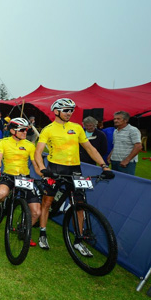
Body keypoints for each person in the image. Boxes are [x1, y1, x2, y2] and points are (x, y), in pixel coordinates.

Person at [34, 98, 113, 252]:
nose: (69, 113)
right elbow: (38, 152)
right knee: (47, 202)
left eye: (71, 110)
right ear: (56, 111)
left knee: (80, 204)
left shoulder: (77, 128)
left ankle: (79, 238)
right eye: (66, 110)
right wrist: (43, 168)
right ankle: (42, 232)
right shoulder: (48, 129)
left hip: (75, 169)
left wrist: (104, 166)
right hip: (55, 168)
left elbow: (90, 149)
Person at [0, 118, 42, 246]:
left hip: (25, 177)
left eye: (27, 130)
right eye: (22, 130)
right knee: (1, 194)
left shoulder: (30, 145)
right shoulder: (3, 142)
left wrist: (44, 174)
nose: (26, 132)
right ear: (13, 131)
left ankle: (24, 230)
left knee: (36, 212)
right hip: (9, 175)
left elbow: (36, 164)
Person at [108, 111, 142, 175]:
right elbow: (116, 145)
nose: (115, 120)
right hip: (114, 161)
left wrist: (127, 160)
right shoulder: (116, 131)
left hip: (126, 163)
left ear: (126, 120)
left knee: (126, 183)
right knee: (115, 181)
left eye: (118, 119)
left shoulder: (133, 130)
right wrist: (110, 156)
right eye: (114, 119)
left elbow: (138, 146)